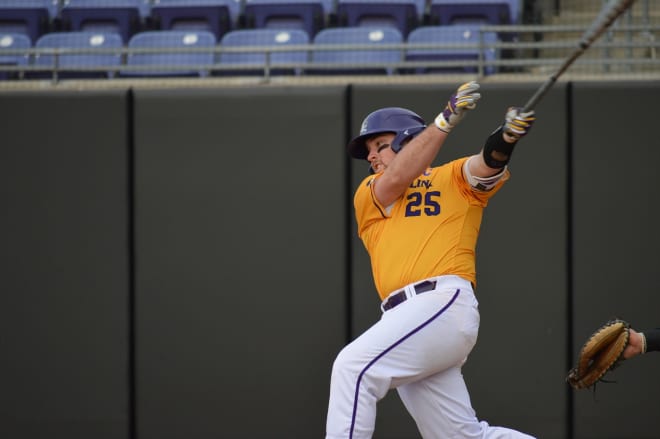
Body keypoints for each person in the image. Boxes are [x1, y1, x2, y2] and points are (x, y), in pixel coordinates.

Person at [325, 81, 537, 439]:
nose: (372, 156)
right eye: (369, 151)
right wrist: (446, 120)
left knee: (352, 367)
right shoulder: (371, 192)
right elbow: (398, 175)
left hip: (441, 302)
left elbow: (487, 163)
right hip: (405, 318)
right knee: (461, 437)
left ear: (408, 139)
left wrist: (507, 137)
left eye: (379, 145)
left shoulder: (451, 177)